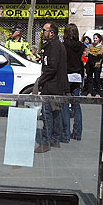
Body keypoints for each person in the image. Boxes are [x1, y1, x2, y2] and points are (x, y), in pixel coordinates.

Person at [35, 22, 69, 153]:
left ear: (51, 33)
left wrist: (40, 81)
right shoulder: (54, 45)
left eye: (44, 30)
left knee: (48, 114)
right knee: (55, 113)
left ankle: (46, 141)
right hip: (55, 84)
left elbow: (52, 67)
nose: (42, 32)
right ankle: (55, 138)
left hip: (52, 85)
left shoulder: (54, 46)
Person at [62, 23, 84, 141]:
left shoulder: (64, 45)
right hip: (77, 75)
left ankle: (65, 133)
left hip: (67, 75)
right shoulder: (80, 45)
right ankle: (77, 132)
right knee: (76, 105)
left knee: (65, 104)